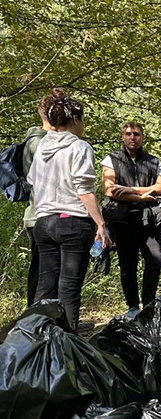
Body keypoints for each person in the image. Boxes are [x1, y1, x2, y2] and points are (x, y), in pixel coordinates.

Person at [27, 89, 110, 330]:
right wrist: (100, 224)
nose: (83, 124)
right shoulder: (80, 147)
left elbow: (33, 181)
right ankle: (66, 347)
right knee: (68, 289)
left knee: (45, 286)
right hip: (72, 222)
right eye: (82, 119)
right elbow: (84, 189)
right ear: (74, 119)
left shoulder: (42, 147)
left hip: (43, 223)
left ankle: (36, 340)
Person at [100, 122, 161, 315]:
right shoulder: (111, 159)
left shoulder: (154, 161)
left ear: (142, 137)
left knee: (155, 260)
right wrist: (141, 196)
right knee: (127, 264)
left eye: (136, 134)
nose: (132, 137)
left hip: (150, 219)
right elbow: (110, 189)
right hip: (122, 220)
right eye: (128, 134)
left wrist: (129, 190)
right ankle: (132, 307)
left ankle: (149, 304)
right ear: (123, 136)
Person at [20, 94, 51, 307]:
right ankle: (35, 320)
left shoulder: (35, 140)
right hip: (41, 215)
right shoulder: (40, 143)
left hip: (38, 215)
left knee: (43, 271)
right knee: (43, 273)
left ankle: (49, 319)